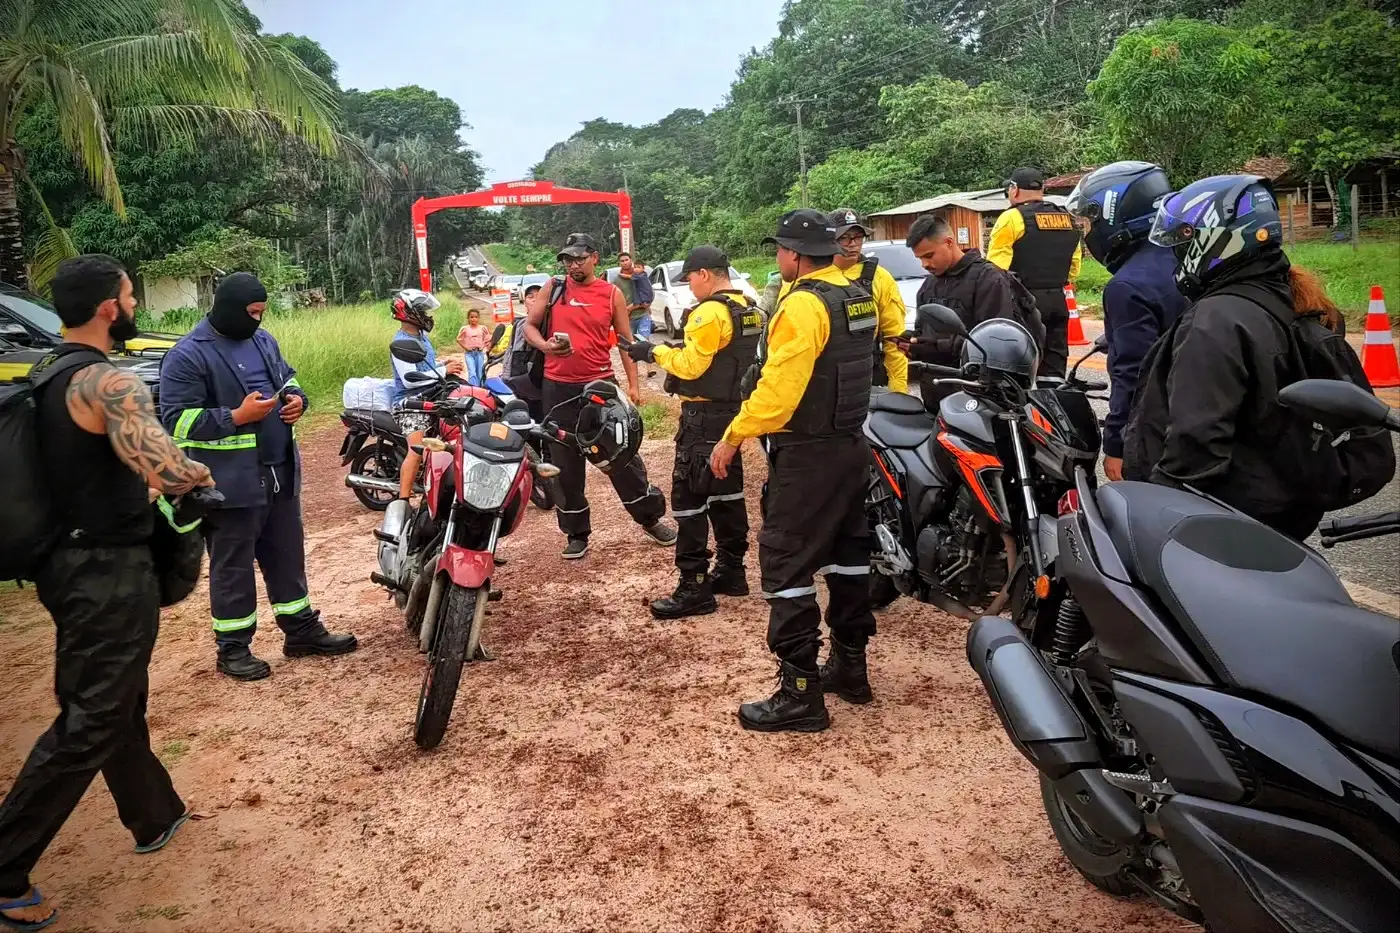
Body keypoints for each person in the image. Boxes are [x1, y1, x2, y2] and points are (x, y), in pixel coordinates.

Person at [0, 256, 213, 931]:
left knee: (116, 696)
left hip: (63, 565)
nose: (133, 305)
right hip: (104, 573)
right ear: (107, 308)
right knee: (92, 714)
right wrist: (197, 472)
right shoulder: (108, 382)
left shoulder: (47, 372)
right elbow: (164, 469)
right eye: (128, 296)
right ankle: (5, 867)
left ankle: (154, 813)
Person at [709, 209, 879, 733]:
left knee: (785, 564)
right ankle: (850, 668)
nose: (779, 257)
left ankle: (801, 693)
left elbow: (780, 392)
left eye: (780, 249)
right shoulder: (857, 295)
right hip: (851, 447)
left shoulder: (803, 304)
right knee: (848, 559)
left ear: (794, 255)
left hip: (808, 456)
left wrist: (733, 435)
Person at [1123, 175, 1358, 541]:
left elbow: (1196, 445)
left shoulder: (1215, 321)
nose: (1177, 255)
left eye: (1184, 241)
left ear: (1216, 238)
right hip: (1282, 511)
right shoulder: (1289, 298)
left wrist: (1158, 517)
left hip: (1222, 521)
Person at [159, 273, 357, 681]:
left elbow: (288, 378)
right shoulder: (188, 355)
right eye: (252, 312)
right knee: (232, 568)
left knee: (287, 555)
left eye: (262, 313)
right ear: (230, 308)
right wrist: (236, 416)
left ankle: (301, 630)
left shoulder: (263, 341)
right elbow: (176, 420)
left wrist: (297, 400)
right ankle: (233, 648)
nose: (258, 320)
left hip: (279, 472)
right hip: (230, 483)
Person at [522, 233, 675, 559]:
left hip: (600, 387)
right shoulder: (553, 288)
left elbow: (626, 342)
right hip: (557, 389)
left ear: (594, 257)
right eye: (568, 259)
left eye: (579, 258)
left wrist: (633, 386)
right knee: (565, 465)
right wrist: (546, 346)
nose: (573, 265)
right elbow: (529, 326)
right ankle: (576, 534)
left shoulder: (611, 294)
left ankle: (650, 518)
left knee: (620, 456)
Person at [626, 246, 759, 619]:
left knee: (690, 499)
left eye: (690, 279)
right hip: (733, 415)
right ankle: (732, 571)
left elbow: (690, 365)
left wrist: (652, 352)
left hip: (701, 419)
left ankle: (694, 586)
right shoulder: (749, 308)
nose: (690, 287)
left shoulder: (709, 312)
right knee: (727, 494)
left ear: (704, 274)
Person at [1065, 162, 1187, 482]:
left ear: (1112, 216)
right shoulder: (1188, 258)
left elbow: (1133, 376)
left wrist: (1117, 444)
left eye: (1089, 222)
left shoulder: (1128, 286)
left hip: (1159, 433)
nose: (1087, 233)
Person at [905, 214, 1037, 408]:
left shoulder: (988, 279)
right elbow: (922, 330)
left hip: (976, 398)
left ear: (949, 242)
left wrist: (937, 346)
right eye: (919, 258)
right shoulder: (929, 286)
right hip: (935, 395)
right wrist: (912, 343)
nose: (924, 265)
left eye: (929, 256)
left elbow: (995, 344)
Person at [987, 167, 1083, 377]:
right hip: (1058, 300)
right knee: (1054, 368)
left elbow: (996, 270)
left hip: (1023, 302)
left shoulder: (1011, 217)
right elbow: (1074, 267)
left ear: (1014, 190)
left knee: (1019, 366)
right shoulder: (1066, 218)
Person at [389, 289, 465, 504]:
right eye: (421, 310)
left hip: (431, 396)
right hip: (409, 403)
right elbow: (410, 379)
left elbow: (423, 366)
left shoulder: (422, 337)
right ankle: (403, 501)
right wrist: (443, 370)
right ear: (408, 312)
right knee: (417, 449)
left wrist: (442, 363)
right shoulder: (400, 342)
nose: (426, 314)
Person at [828, 208, 910, 394]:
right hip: (823, 379)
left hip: (865, 378)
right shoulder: (814, 275)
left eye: (858, 237)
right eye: (844, 238)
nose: (852, 244)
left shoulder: (880, 278)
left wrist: (898, 390)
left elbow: (895, 339)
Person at [617, 252, 656, 376]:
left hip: (642, 314)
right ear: (619, 263)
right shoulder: (616, 280)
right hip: (627, 318)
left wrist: (643, 305)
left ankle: (650, 368)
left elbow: (650, 292)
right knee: (630, 344)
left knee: (644, 339)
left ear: (631, 261)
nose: (625, 262)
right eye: (622, 261)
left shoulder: (641, 275)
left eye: (627, 260)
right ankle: (633, 373)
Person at [456, 307, 491, 386]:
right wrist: (466, 348)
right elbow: (458, 339)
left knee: (480, 372)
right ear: (468, 318)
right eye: (471, 317)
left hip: (479, 353)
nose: (474, 319)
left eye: (476, 317)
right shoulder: (465, 329)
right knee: (472, 372)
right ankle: (473, 388)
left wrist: (483, 347)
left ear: (478, 318)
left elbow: (488, 339)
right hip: (469, 354)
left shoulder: (482, 328)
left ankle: (481, 388)